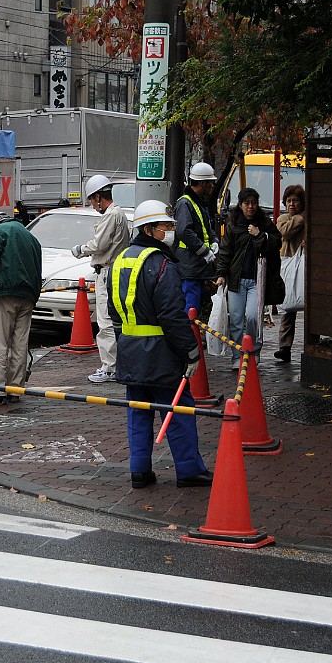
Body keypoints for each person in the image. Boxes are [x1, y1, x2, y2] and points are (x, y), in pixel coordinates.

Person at [108, 199, 213, 489]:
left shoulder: (120, 261)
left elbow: (113, 311)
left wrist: (125, 342)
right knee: (178, 409)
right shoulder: (161, 264)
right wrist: (191, 352)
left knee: (138, 410)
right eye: (167, 226)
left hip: (130, 349)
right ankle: (190, 470)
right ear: (150, 229)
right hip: (162, 352)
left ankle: (139, 470)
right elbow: (172, 317)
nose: (171, 231)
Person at [0, 210, 42, 405]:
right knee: (20, 345)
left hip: (3, 293)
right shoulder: (30, 237)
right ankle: (15, 389)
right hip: (27, 296)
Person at [71, 174, 130, 383]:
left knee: (105, 323)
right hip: (112, 272)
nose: (93, 206)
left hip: (107, 272)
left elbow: (99, 245)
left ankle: (109, 368)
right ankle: (116, 366)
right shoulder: (119, 214)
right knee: (114, 321)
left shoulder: (111, 215)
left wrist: (81, 249)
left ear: (98, 196)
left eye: (91, 201)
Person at [215, 187, 281, 369]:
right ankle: (237, 355)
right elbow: (225, 251)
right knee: (236, 320)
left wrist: (260, 235)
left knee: (253, 317)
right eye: (246, 203)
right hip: (236, 279)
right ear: (241, 205)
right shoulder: (233, 224)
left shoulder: (264, 223)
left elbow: (277, 242)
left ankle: (253, 352)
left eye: (253, 203)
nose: (250, 207)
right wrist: (221, 274)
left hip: (257, 280)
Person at [174, 161, 219, 315]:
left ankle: (193, 338)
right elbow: (184, 231)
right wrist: (204, 251)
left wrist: (214, 242)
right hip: (190, 267)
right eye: (210, 183)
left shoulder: (197, 203)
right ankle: (189, 338)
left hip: (196, 267)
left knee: (195, 308)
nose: (212, 186)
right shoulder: (185, 203)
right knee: (191, 309)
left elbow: (206, 229)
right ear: (202, 183)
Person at [274, 184, 306, 362]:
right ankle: (284, 347)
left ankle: (310, 344)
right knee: (288, 306)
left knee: (306, 302)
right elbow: (284, 233)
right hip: (287, 264)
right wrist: (301, 218)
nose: (291, 204)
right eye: (288, 201)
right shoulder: (283, 219)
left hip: (304, 264)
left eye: (295, 200)